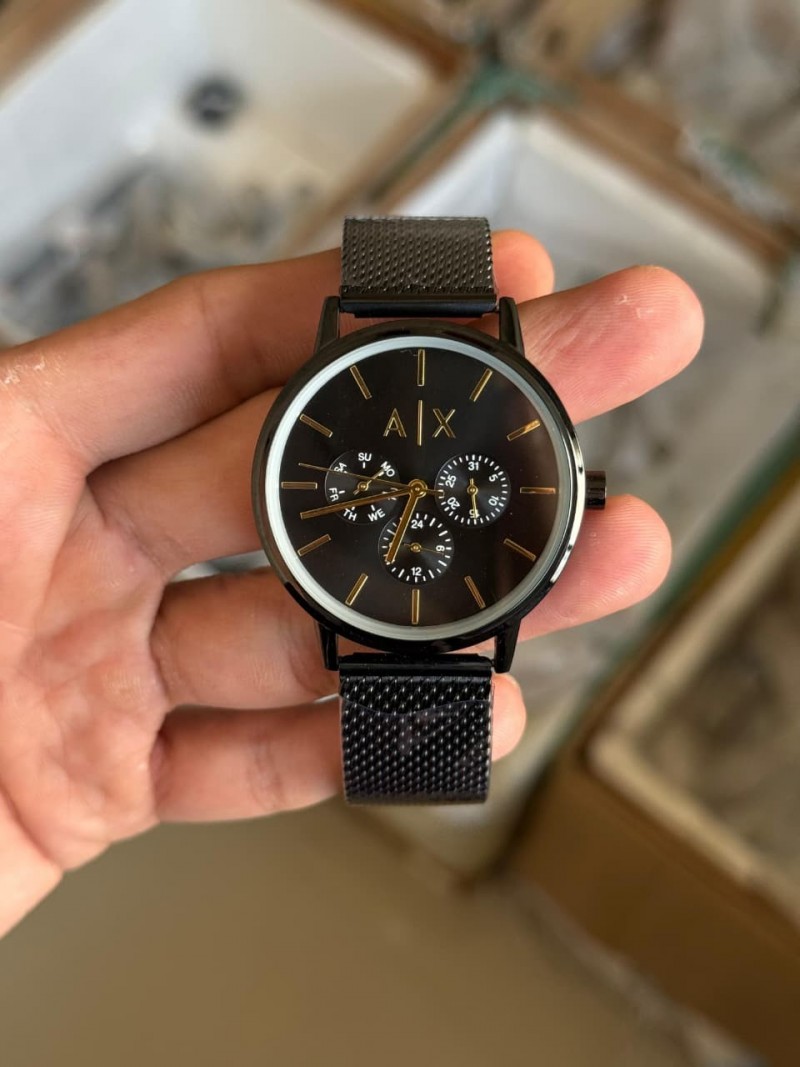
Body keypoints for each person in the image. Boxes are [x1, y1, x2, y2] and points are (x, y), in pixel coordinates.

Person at [0, 231, 703, 937]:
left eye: (426, 490)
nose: (421, 490)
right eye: (406, 488)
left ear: (580, 491)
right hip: (383, 591)